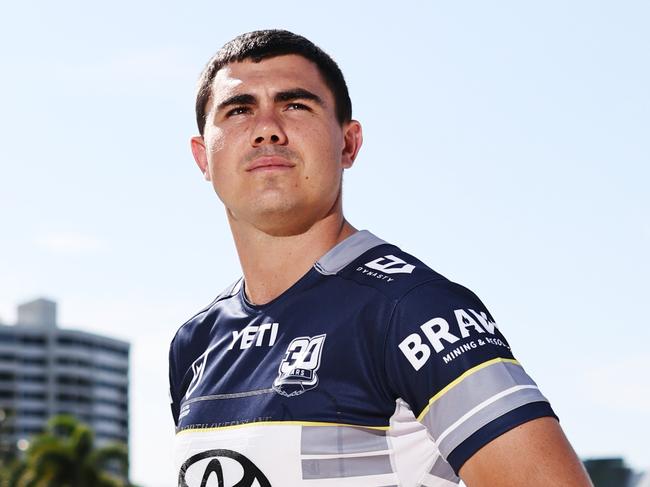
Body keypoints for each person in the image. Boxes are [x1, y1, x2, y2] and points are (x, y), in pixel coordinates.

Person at [169, 29, 593, 487]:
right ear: (202, 157)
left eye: (296, 105)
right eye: (239, 110)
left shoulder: (414, 308)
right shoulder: (196, 343)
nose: (267, 128)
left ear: (349, 144)